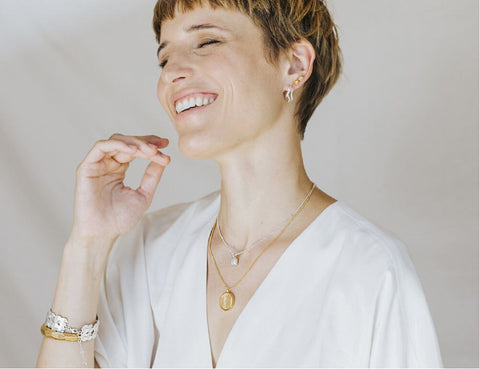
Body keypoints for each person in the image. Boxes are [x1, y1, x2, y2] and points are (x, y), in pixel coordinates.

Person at [36, 0, 444, 367]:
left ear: (295, 65)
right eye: (164, 59)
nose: (173, 73)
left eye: (207, 42)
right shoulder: (150, 250)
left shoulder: (371, 270)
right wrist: (87, 246)